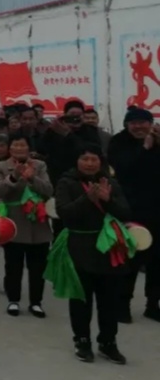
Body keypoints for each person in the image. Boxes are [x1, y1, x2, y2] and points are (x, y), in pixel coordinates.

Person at [47, 144, 133, 364]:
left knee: (109, 300)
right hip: (79, 246)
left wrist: (107, 200)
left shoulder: (110, 182)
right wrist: (88, 199)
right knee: (81, 298)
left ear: (100, 162)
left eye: (94, 159)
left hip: (109, 247)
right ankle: (82, 341)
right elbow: (64, 213)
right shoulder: (66, 182)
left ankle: (108, 342)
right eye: (85, 159)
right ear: (77, 161)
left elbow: (125, 212)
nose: (89, 163)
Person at [106, 106, 159, 323]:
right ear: (127, 125)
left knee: (157, 262)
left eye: (142, 122)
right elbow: (125, 170)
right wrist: (145, 148)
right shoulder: (118, 143)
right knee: (130, 262)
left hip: (157, 210)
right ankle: (122, 305)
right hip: (131, 210)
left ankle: (153, 304)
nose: (138, 127)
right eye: (133, 123)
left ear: (150, 123)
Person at [0, 133, 52, 317]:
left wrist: (33, 179)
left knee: (38, 266)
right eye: (15, 145)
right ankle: (13, 300)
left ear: (28, 148)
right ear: (9, 149)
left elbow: (48, 190)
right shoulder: (0, 167)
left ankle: (36, 302)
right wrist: (14, 177)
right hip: (14, 222)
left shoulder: (39, 166)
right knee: (13, 265)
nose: (19, 149)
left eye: (22, 145)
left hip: (38, 222)